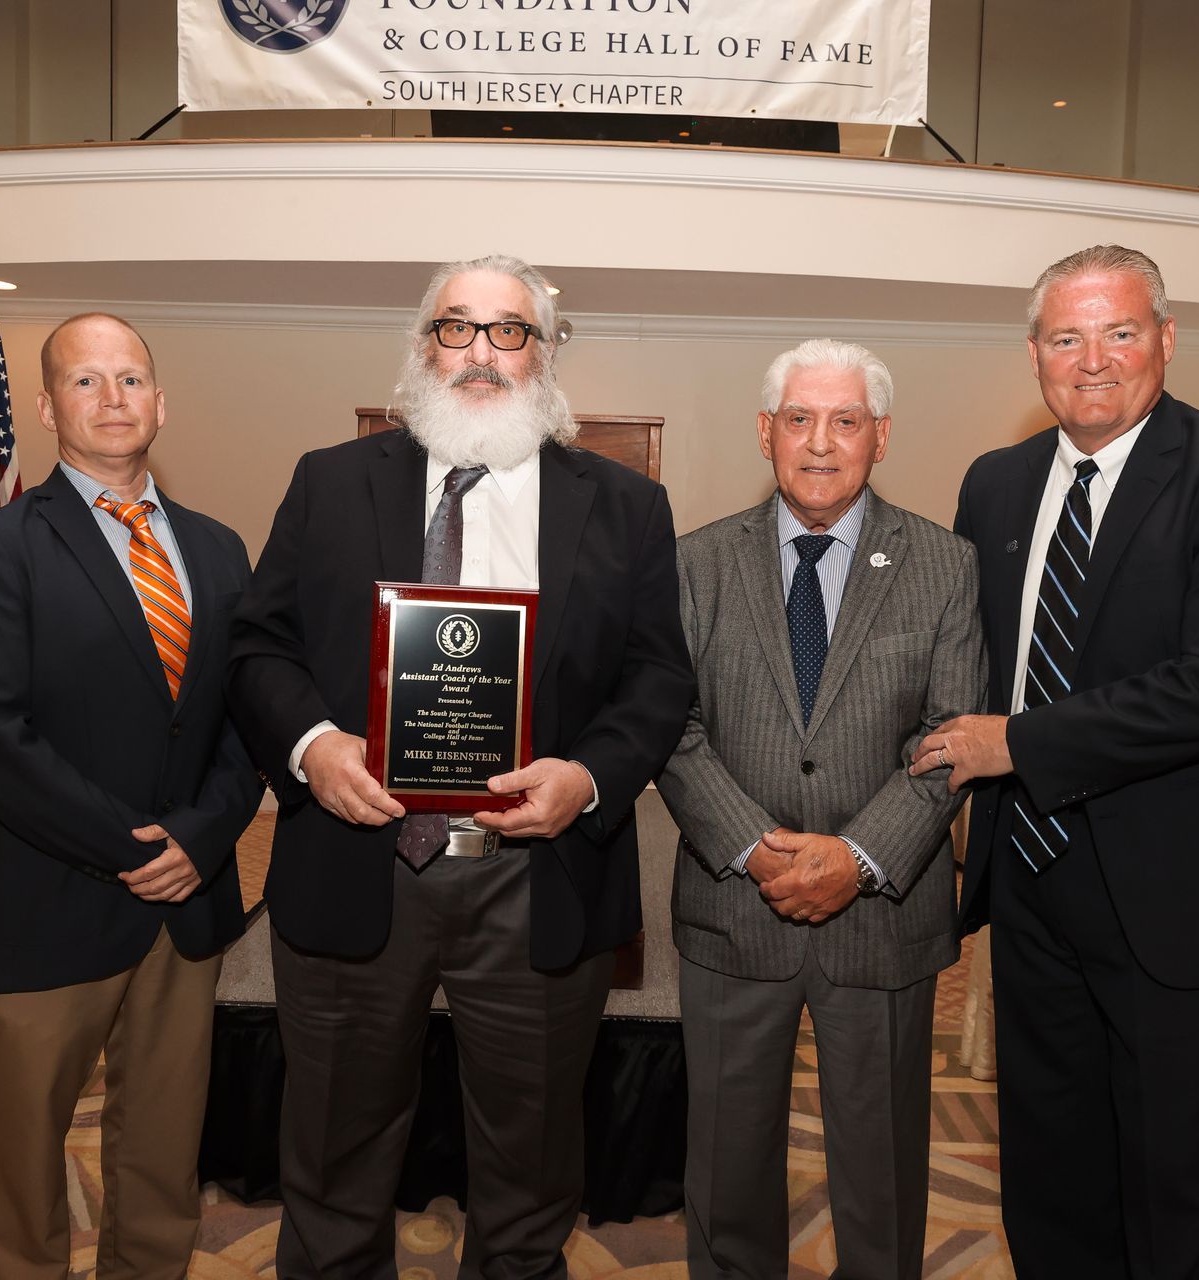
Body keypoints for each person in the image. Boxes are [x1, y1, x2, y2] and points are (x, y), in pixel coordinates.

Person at [228, 253, 693, 1278]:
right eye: (457, 327)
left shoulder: (624, 506)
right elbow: (258, 646)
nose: (481, 352)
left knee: (529, 1176)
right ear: (422, 346)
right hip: (360, 862)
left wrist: (590, 777)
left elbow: (658, 681)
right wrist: (313, 745)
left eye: (509, 330)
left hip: (538, 876)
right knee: (335, 1163)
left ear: (545, 352)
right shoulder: (330, 482)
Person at [919, 245, 1199, 1278]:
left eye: (1119, 331)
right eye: (1067, 337)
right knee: (1049, 1169)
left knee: (1171, 1179)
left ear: (1166, 339)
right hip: (1030, 879)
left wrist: (1013, 742)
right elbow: (961, 657)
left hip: (1175, 892)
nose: (1093, 359)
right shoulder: (998, 483)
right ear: (1034, 355)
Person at [0, 313, 263, 1280]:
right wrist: (132, 846)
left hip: (188, 902)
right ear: (46, 406)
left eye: (129, 379)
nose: (111, 398)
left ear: (161, 402)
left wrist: (200, 840)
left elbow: (247, 722)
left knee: (164, 1148)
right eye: (86, 381)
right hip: (46, 897)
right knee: (25, 1156)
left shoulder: (220, 547)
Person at [657, 339, 984, 1279]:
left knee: (881, 1182)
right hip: (733, 909)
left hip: (883, 914)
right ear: (766, 432)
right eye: (798, 419)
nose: (820, 443)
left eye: (846, 421)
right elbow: (669, 729)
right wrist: (756, 848)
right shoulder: (696, 562)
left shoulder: (945, 564)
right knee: (724, 1172)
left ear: (881, 437)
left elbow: (948, 736)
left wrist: (858, 856)